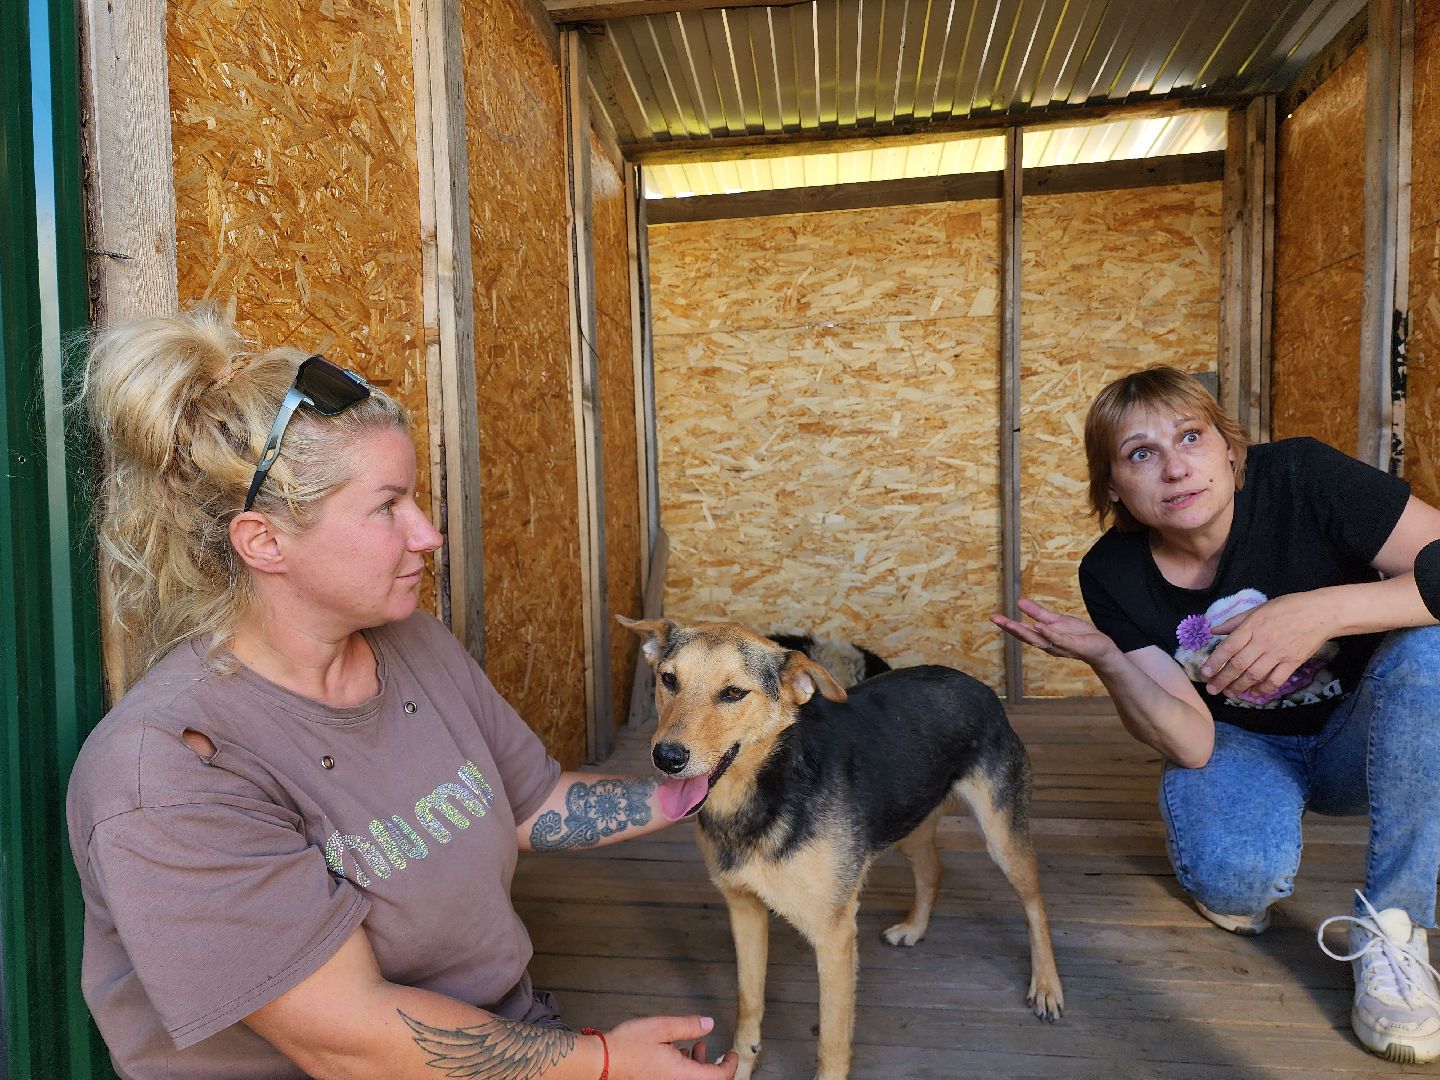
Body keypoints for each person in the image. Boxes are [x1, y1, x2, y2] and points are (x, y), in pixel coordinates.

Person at [65, 308, 740, 1080]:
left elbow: (532, 803)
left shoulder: (412, 643)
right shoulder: (168, 773)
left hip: (519, 1041)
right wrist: (605, 1064)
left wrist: (696, 792)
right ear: (265, 542)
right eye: (388, 506)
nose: (428, 533)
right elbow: (347, 1039)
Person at [991, 365, 1440, 1064]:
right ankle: (1238, 848)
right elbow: (1194, 740)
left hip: (1365, 732)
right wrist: (1108, 659)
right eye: (1142, 453)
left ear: (1231, 449)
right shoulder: (1110, 571)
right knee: (1236, 882)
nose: (1175, 469)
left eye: (1191, 438)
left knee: (1434, 645)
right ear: (1113, 487)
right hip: (1239, 742)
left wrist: (1324, 609)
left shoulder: (1303, 476)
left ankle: (1397, 923)